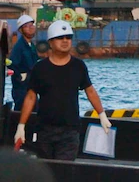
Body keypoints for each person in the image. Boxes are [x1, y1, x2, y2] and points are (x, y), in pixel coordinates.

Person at [15, 20, 112, 161]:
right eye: (60, 38)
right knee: (47, 171)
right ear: (50, 42)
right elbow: (31, 97)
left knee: (64, 171)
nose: (65, 41)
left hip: (70, 130)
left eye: (68, 37)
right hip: (45, 130)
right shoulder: (40, 68)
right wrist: (21, 126)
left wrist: (102, 115)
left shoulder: (78, 66)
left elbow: (90, 91)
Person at [9, 14, 38, 110]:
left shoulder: (31, 46)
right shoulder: (19, 47)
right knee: (22, 110)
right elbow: (12, 64)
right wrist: (20, 76)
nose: (30, 28)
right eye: (26, 26)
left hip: (31, 86)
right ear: (21, 30)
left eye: (31, 25)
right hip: (21, 89)